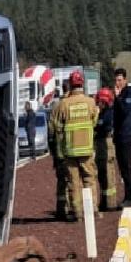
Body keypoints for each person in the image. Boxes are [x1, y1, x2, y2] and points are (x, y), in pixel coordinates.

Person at [48, 70, 99, 222]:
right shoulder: (91, 103)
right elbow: (94, 122)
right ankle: (92, 210)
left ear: (70, 84)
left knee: (74, 182)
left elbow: (54, 127)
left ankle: (77, 213)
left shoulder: (63, 104)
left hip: (70, 151)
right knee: (89, 179)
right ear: (82, 84)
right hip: (87, 149)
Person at [111, 68, 131, 207]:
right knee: (122, 168)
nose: (117, 83)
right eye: (116, 80)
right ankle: (127, 196)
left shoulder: (129, 93)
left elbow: (124, 111)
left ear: (125, 80)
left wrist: (117, 98)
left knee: (127, 167)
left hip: (127, 135)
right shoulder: (119, 95)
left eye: (120, 80)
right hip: (119, 135)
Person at [93, 86, 120, 211]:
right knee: (102, 174)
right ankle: (105, 201)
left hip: (106, 144)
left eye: (100, 101)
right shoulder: (104, 112)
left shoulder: (109, 113)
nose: (98, 103)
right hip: (101, 145)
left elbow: (103, 127)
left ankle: (110, 202)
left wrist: (97, 128)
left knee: (108, 173)